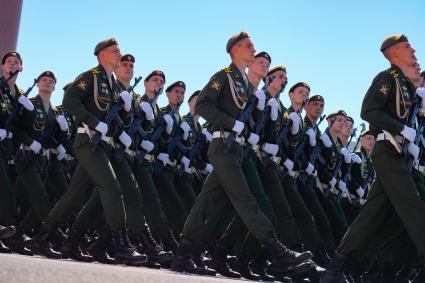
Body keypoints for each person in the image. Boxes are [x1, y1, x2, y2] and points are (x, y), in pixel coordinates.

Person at [171, 31, 312, 278]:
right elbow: (203, 105)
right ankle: (278, 251)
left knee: (206, 202)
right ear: (235, 49)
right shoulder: (223, 76)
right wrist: (229, 122)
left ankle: (184, 254)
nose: (252, 50)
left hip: (239, 149)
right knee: (246, 200)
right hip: (223, 145)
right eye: (248, 46)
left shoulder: (247, 86)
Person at [31, 38, 147, 265]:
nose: (119, 55)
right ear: (102, 54)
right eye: (115, 51)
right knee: (113, 189)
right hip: (87, 141)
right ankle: (122, 245)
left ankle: (44, 238)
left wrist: (124, 113)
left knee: (73, 196)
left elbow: (111, 119)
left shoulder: (113, 84)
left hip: (102, 144)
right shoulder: (90, 76)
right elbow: (70, 100)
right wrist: (94, 121)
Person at [321, 34, 425, 283]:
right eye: (407, 47)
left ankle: (339, 267)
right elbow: (368, 111)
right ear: (394, 53)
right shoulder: (387, 78)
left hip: (400, 155)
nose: (413, 51)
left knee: (373, 215)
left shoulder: (407, 86)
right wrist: (401, 130)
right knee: (414, 206)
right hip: (387, 152)